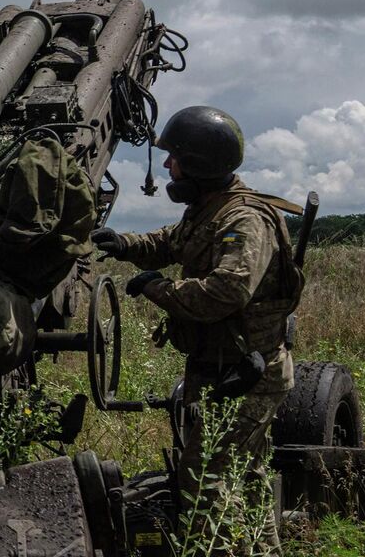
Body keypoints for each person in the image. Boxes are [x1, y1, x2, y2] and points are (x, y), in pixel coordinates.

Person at [91, 105, 301, 530]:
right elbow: (172, 241)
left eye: (175, 157)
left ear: (200, 164)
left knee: (204, 486)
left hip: (246, 374)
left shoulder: (243, 220)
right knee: (247, 477)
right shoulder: (209, 209)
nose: (167, 164)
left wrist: (155, 288)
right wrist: (124, 243)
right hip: (221, 370)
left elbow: (224, 294)